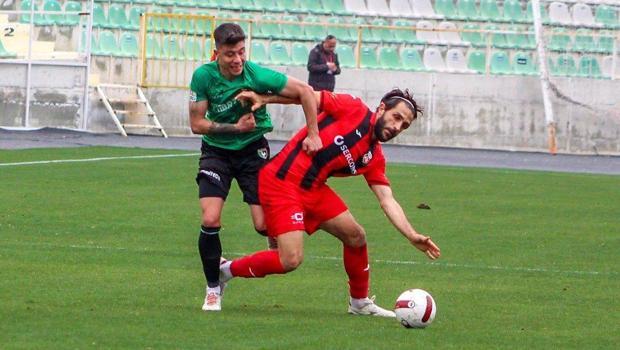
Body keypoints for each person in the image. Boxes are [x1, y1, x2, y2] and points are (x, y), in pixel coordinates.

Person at [220, 88, 441, 316]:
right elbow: (304, 95)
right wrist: (265, 99)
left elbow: (387, 200)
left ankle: (359, 303)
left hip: (313, 188)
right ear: (382, 108)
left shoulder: (374, 157)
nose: (397, 127)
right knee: (290, 260)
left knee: (356, 236)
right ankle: (225, 270)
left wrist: (411, 235)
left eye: (404, 125)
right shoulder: (352, 108)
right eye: (397, 117)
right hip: (283, 181)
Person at [188, 23, 322, 312]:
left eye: (241, 52)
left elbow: (306, 92)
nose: (237, 60)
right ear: (216, 54)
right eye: (229, 54)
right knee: (210, 219)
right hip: (216, 153)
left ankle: (234, 265)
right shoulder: (203, 77)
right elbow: (196, 124)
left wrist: (313, 134)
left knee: (263, 225)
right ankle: (213, 287)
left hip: (253, 152)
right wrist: (236, 127)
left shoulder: (256, 74)